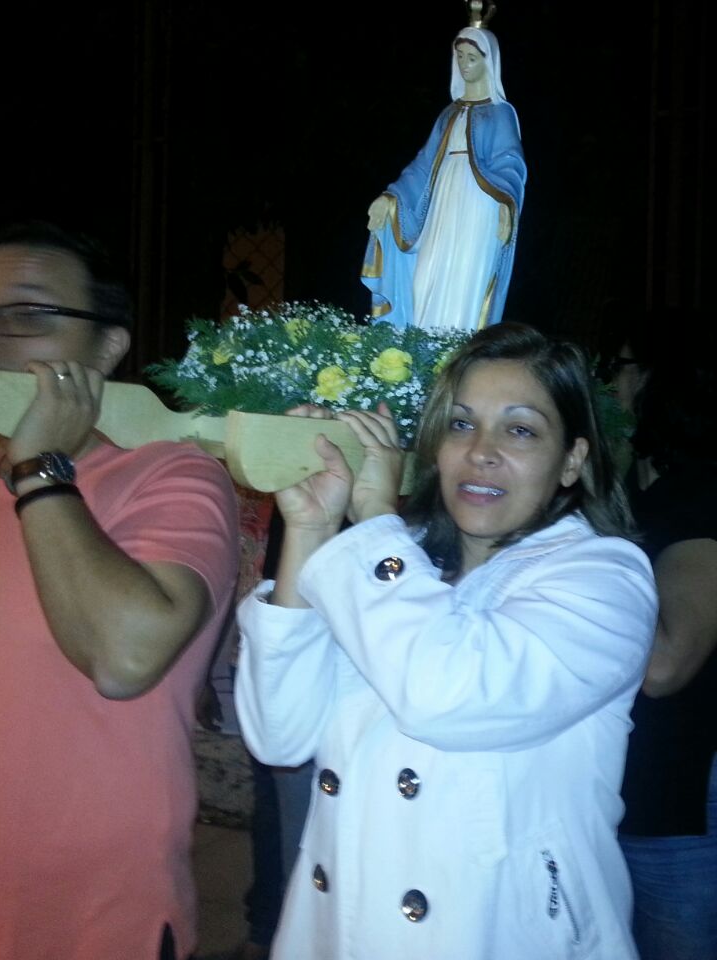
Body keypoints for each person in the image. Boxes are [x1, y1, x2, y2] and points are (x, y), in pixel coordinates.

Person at [235, 323, 657, 958]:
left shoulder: (605, 578)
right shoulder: (395, 569)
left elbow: (445, 693)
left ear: (572, 459)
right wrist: (312, 529)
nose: (481, 452)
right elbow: (279, 733)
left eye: (520, 430)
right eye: (461, 425)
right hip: (342, 932)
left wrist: (376, 523)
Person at [0, 222, 240, 960]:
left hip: (94, 920)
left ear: (107, 347)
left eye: (30, 313)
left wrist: (39, 468)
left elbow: (124, 657)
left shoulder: (173, 478)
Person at [613, 319, 717, 960]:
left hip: (691, 799)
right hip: (620, 792)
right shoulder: (634, 497)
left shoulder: (712, 503)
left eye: (618, 366)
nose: (601, 382)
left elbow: (663, 665)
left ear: (663, 383)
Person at [361, 25, 525, 331]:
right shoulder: (448, 114)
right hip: (441, 204)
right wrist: (391, 196)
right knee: (425, 278)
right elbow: (423, 165)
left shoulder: (501, 113)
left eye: (472, 58)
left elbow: (510, 162)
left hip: (479, 205)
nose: (464, 64)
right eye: (459, 56)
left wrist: (506, 203)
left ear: (489, 61)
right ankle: (420, 344)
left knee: (465, 278)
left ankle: (457, 347)